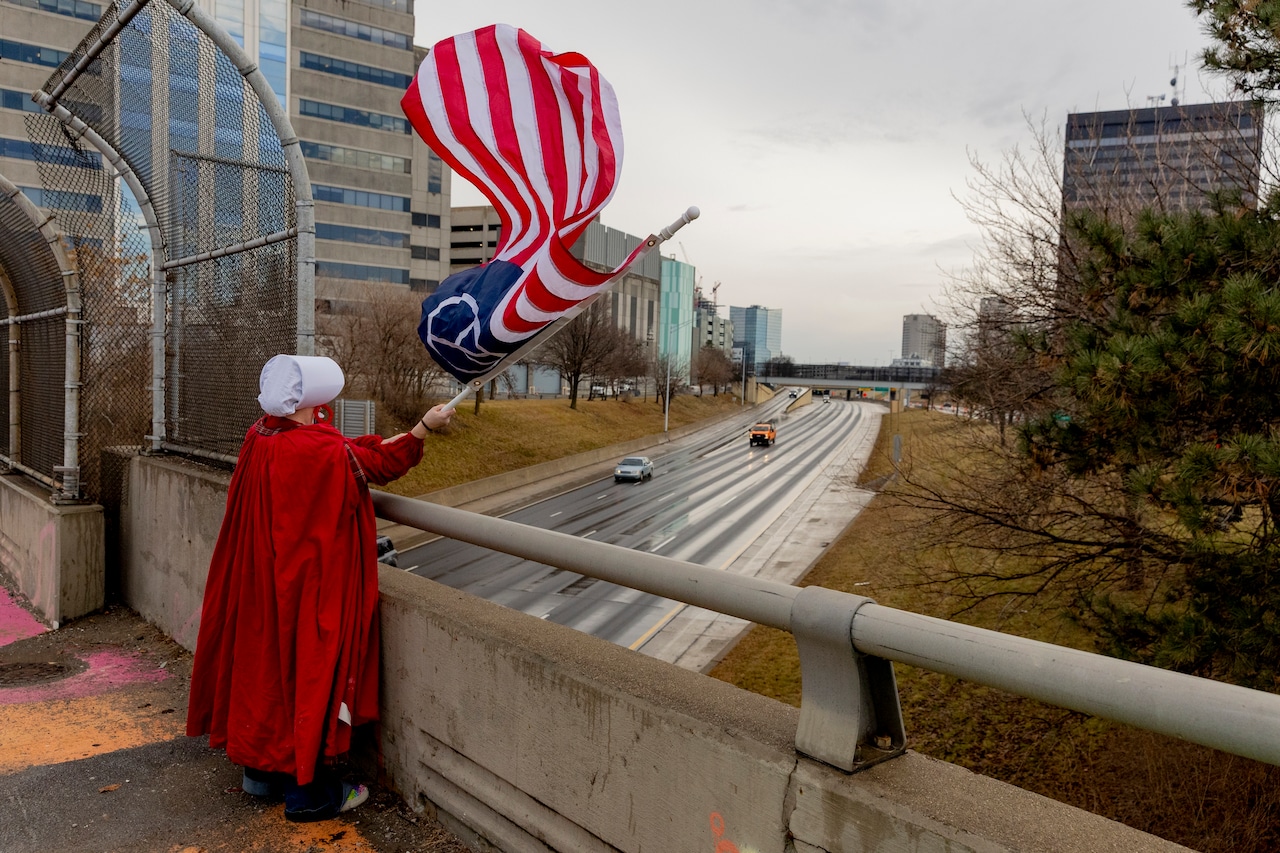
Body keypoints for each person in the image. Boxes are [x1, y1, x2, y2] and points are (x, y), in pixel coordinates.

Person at [186, 354, 453, 822]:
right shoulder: (320, 451)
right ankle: (310, 796)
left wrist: (406, 431)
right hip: (306, 582)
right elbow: (375, 462)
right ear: (313, 400)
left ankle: (259, 775)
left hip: (261, 578)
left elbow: (348, 447)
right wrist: (423, 428)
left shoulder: (260, 435)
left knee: (262, 666)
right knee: (307, 675)